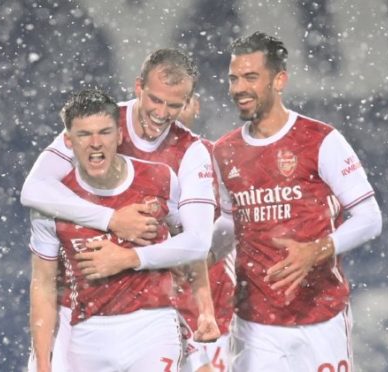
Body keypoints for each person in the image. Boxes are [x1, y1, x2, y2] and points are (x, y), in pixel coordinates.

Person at [22, 49, 220, 370]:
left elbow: (196, 242)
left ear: (187, 103)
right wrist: (112, 220)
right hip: (74, 311)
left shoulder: (190, 153)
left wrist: (203, 308)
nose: (161, 113)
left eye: (174, 105)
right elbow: (34, 189)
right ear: (138, 87)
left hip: (148, 314)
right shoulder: (99, 126)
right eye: (156, 100)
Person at [210, 31, 383, 371]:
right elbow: (231, 222)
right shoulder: (224, 152)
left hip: (319, 316)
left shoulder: (321, 140)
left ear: (279, 80)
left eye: (250, 77)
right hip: (255, 323)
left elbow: (370, 218)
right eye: (233, 79)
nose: (239, 88)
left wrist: (316, 250)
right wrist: (200, 256)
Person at [30, 88, 188, 371]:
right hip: (83, 332)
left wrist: (201, 310)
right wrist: (42, 362)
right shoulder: (50, 200)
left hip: (151, 326)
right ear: (68, 141)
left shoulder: (160, 179)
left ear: (119, 135)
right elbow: (43, 283)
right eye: (83, 135)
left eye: (104, 132)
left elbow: (190, 242)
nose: (95, 143)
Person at [172, 93, 235, 372]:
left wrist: (205, 257)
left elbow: (241, 221)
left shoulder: (217, 159)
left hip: (221, 318)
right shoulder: (129, 165)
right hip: (159, 319)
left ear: (195, 105)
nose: (169, 112)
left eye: (179, 103)